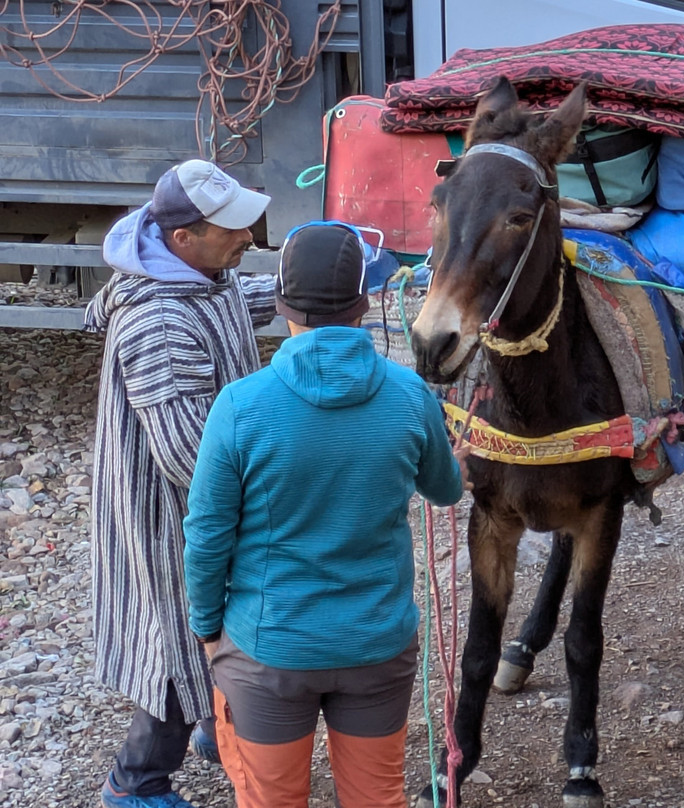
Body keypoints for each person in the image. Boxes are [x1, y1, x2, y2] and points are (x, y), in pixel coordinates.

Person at [182, 221, 468, 808]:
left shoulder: (239, 406)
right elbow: (444, 490)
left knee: (272, 799)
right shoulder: (410, 396)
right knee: (375, 797)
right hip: (377, 641)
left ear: (282, 302)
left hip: (268, 648)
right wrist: (454, 459)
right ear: (365, 303)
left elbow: (207, 536)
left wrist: (208, 628)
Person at [85, 159, 276, 808]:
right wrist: (271, 497)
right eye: (232, 229)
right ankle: (135, 783)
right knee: (178, 641)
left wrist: (311, 288)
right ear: (182, 238)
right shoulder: (159, 325)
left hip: (196, 500)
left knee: (218, 624)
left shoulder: (198, 275)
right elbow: (188, 459)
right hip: (170, 512)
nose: (248, 236)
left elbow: (227, 305)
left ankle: (214, 725)